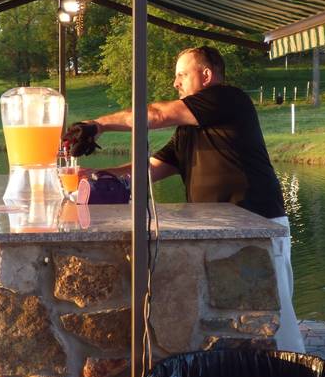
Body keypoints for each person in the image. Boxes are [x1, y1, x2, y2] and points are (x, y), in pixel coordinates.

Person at [73, 46, 305, 353]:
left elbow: (154, 114)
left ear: (206, 75)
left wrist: (97, 125)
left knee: (275, 320)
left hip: (260, 227)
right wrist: (95, 176)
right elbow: (147, 170)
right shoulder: (188, 131)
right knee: (232, 326)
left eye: (182, 74)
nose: (175, 83)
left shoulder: (228, 98)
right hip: (218, 233)